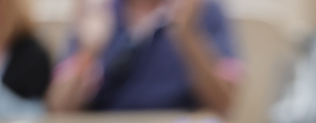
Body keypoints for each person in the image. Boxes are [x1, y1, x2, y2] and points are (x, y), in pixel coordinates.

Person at [47, 0, 240, 114]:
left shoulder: (201, 10)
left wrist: (187, 35)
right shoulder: (99, 12)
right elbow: (59, 108)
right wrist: (88, 50)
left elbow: (224, 104)